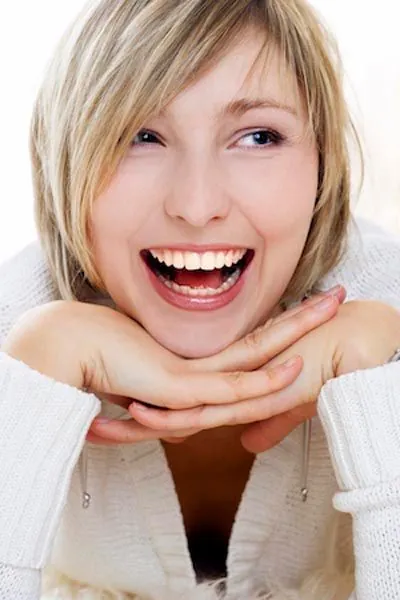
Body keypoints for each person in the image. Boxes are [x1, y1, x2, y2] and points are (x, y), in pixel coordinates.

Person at [0, 0, 400, 598]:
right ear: (67, 162)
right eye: (140, 135)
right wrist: (34, 380)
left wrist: (379, 392)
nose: (195, 203)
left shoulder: (384, 306)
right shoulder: (16, 324)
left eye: (259, 136)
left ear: (323, 166)